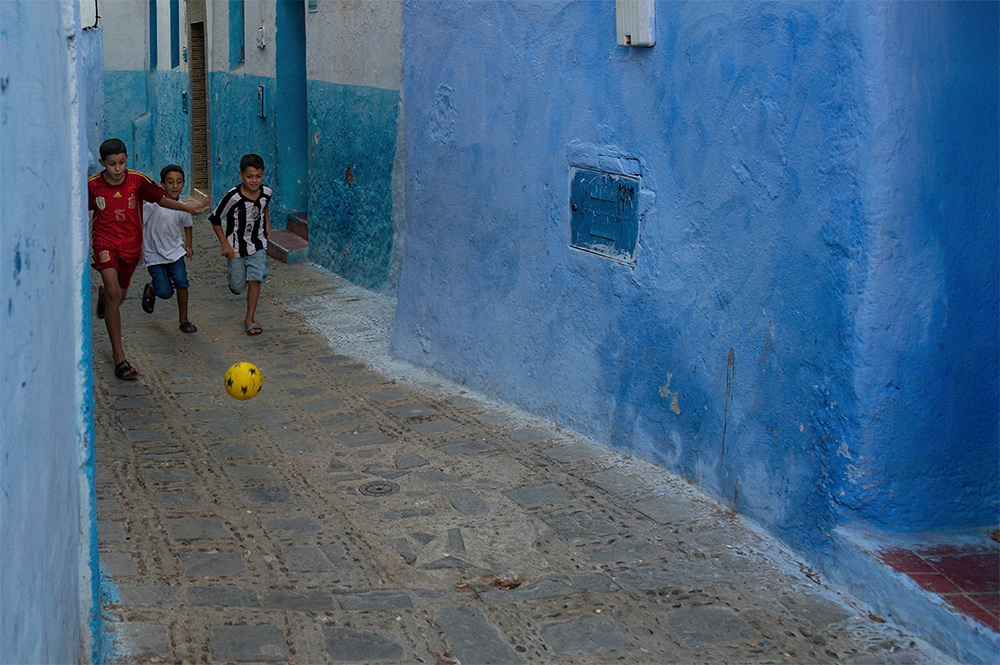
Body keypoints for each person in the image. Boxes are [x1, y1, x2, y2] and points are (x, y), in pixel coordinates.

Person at [89, 138, 210, 380]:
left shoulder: (138, 180)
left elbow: (160, 199)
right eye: (111, 164)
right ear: (102, 163)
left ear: (127, 159)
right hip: (105, 243)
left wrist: (189, 209)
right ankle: (119, 357)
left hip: (131, 246)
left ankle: (106, 291)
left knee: (117, 296)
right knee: (115, 293)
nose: (117, 169)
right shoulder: (92, 186)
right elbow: (79, 211)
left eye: (121, 162)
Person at [208, 153, 272, 335]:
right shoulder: (233, 197)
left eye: (258, 176)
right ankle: (236, 281)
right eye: (249, 176)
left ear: (263, 175)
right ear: (241, 175)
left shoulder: (266, 193)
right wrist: (224, 244)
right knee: (238, 286)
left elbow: (265, 206)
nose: (254, 181)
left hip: (258, 243)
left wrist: (267, 224)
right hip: (235, 246)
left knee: (255, 279)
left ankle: (250, 319)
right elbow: (215, 218)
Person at [140, 165, 198, 334]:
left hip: (175, 252)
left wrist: (188, 245)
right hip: (154, 254)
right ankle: (151, 289)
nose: (174, 186)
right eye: (170, 182)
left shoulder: (181, 206)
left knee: (181, 282)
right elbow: (138, 224)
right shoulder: (153, 205)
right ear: (162, 184)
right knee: (165, 292)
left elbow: (188, 225)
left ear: (184, 183)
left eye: (179, 182)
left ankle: (184, 320)